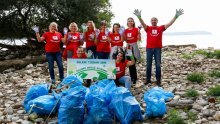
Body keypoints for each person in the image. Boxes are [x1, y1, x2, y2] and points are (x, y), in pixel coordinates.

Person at [133, 8, 184, 86]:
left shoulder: (160, 28)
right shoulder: (148, 28)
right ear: (151, 21)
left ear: (157, 21)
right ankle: (148, 79)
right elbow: (142, 23)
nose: (154, 21)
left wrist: (176, 16)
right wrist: (139, 17)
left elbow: (170, 23)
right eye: (152, 20)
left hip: (157, 48)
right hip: (149, 48)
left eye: (155, 20)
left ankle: (158, 80)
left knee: (158, 64)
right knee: (148, 64)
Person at [123, 17, 141, 84]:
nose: (130, 22)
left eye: (131, 21)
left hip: (134, 47)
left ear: (133, 22)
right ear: (127, 23)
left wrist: (139, 33)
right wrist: (122, 34)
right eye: (129, 21)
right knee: (130, 63)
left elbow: (139, 39)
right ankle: (131, 78)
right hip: (128, 47)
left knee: (133, 63)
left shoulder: (136, 29)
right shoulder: (125, 30)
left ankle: (135, 78)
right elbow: (125, 39)